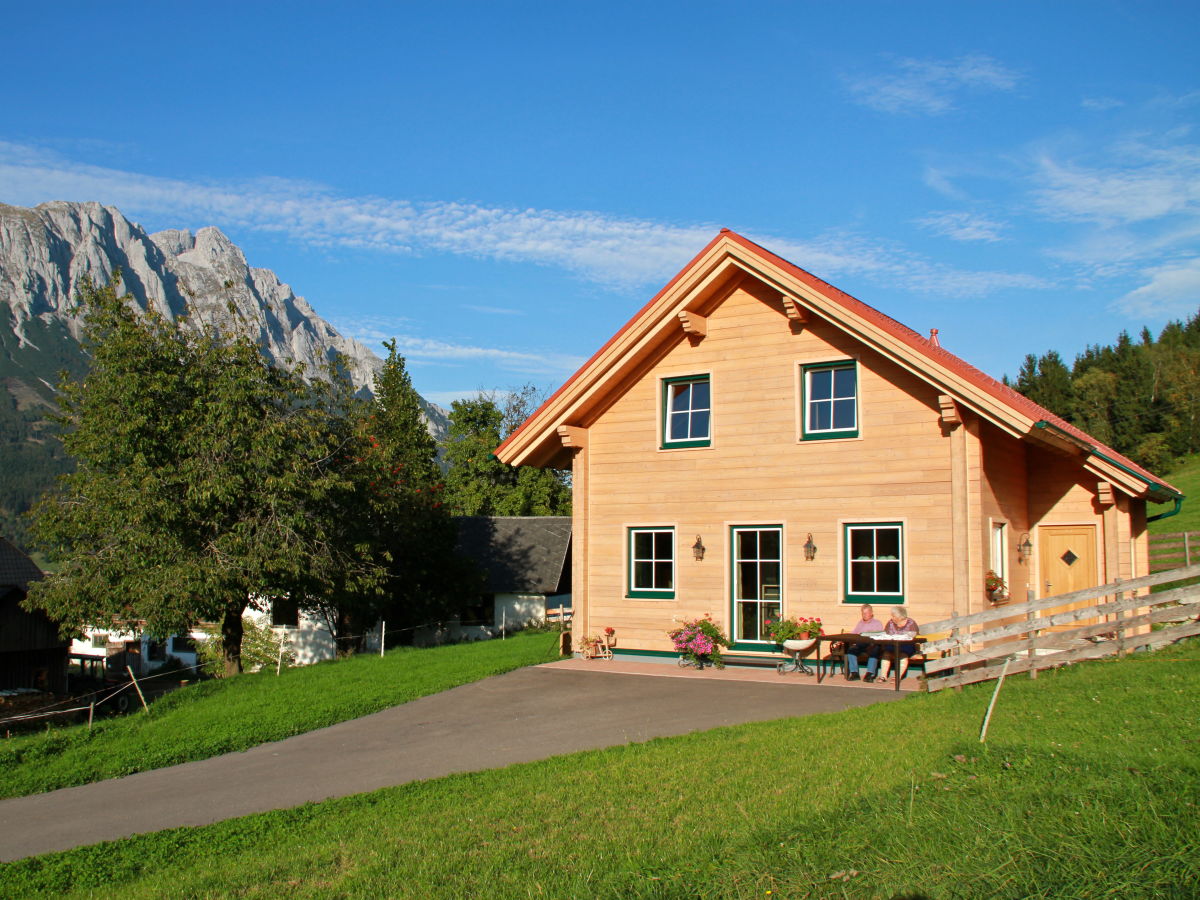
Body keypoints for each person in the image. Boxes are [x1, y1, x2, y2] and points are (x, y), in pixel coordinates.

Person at [869, 606, 920, 683]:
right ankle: (883, 676)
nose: (892, 618)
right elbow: (885, 633)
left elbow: (913, 637)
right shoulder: (890, 623)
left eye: (894, 616)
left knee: (903, 655)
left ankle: (897, 677)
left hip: (906, 646)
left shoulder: (911, 623)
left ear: (899, 617)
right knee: (886, 654)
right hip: (892, 645)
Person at [841, 603, 883, 681]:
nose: (864, 615)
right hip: (861, 644)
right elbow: (854, 634)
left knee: (875, 650)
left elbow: (880, 636)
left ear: (871, 613)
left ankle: (869, 674)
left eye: (866, 613)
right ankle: (854, 673)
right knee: (851, 650)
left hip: (872, 644)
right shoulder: (860, 623)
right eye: (863, 613)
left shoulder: (877, 623)